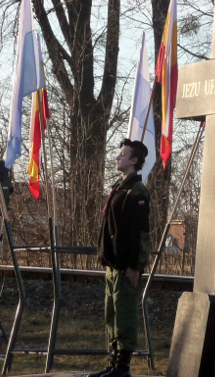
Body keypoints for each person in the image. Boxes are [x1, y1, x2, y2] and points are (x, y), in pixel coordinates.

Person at [88, 139, 151, 377]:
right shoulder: (120, 186)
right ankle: (113, 364)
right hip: (114, 265)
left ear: (134, 160)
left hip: (126, 267)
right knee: (112, 314)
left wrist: (135, 266)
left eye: (123, 155)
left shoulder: (137, 191)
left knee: (125, 314)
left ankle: (123, 367)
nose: (117, 157)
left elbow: (139, 232)